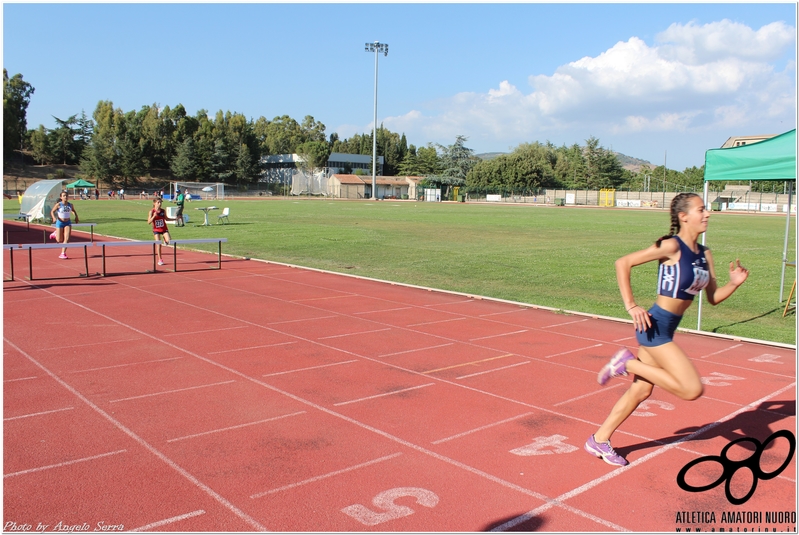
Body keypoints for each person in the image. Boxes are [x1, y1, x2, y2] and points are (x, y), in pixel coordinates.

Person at [585, 192, 749, 467]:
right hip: (655, 326)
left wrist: (734, 284)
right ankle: (627, 363)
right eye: (701, 209)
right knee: (691, 389)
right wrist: (631, 306)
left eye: (706, 209)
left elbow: (712, 298)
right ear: (684, 216)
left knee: (640, 392)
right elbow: (622, 263)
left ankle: (599, 440)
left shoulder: (705, 253)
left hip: (667, 329)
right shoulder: (671, 246)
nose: (707, 214)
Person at [49, 190, 79, 259]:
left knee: (67, 238)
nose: (65, 197)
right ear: (61, 197)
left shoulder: (70, 205)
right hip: (60, 222)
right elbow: (52, 211)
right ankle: (55, 233)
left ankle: (63, 253)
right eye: (64, 196)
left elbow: (73, 211)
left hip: (67, 222)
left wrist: (76, 217)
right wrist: (54, 218)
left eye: (66, 196)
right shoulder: (58, 204)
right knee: (59, 240)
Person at [147, 198, 175, 266]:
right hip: (156, 230)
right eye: (158, 202)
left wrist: (175, 219)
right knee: (158, 244)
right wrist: (154, 216)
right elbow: (149, 222)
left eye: (160, 202)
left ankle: (165, 240)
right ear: (154, 203)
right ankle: (160, 259)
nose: (160, 204)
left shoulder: (163, 211)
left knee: (169, 240)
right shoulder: (151, 211)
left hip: (164, 229)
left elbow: (167, 218)